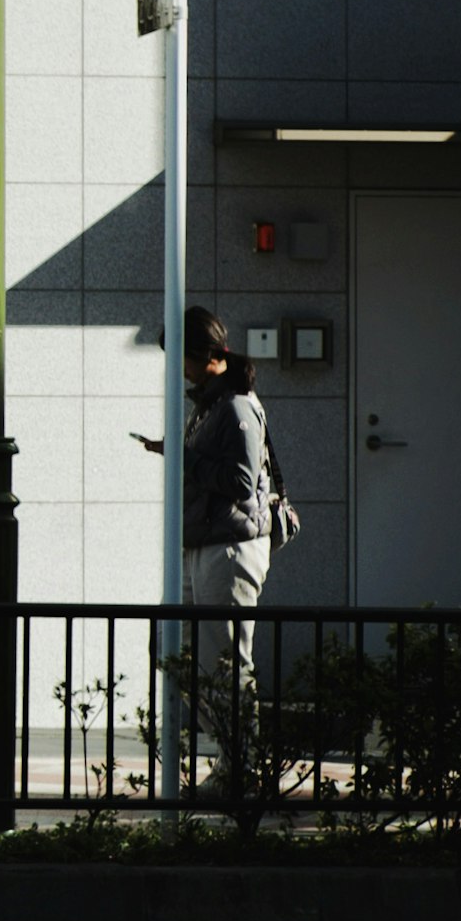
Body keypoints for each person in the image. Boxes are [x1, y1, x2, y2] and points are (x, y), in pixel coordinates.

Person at [150, 304, 285, 787]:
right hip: (210, 542)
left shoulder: (234, 405)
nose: (178, 369)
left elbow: (241, 482)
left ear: (206, 355)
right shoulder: (213, 403)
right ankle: (235, 763)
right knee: (194, 659)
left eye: (182, 358)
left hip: (228, 547)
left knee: (223, 663)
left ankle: (240, 768)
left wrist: (184, 458)